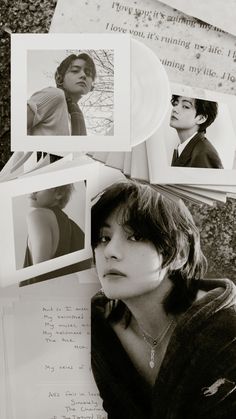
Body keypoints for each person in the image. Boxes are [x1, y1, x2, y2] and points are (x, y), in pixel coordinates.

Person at [91, 179, 236, 419]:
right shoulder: (97, 327)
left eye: (135, 236)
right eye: (103, 238)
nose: (110, 252)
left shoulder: (227, 334)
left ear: (178, 254)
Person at [20, 184, 87, 286]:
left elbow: (40, 275)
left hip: (36, 297)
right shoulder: (73, 227)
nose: (32, 190)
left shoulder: (38, 215)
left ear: (59, 193)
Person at [27, 53, 96, 136]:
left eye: (88, 73)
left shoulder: (73, 115)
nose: (83, 75)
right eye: (75, 71)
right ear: (59, 77)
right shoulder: (55, 95)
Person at [169, 95, 223, 168]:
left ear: (201, 119)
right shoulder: (184, 147)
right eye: (176, 104)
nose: (175, 109)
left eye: (185, 106)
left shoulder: (203, 153)